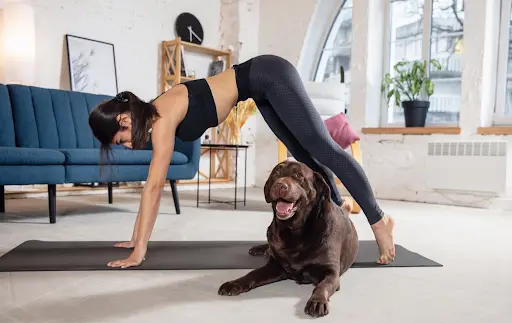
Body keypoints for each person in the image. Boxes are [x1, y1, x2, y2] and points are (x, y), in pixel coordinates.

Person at [88, 54, 396, 269]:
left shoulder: (163, 116)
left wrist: (139, 251)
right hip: (259, 88)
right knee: (304, 156)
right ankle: (339, 206)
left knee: (322, 147)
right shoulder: (157, 115)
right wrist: (133, 237)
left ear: (125, 120)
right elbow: (151, 186)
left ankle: (379, 219)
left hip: (269, 74)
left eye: (122, 139)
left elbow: (153, 188)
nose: (128, 146)